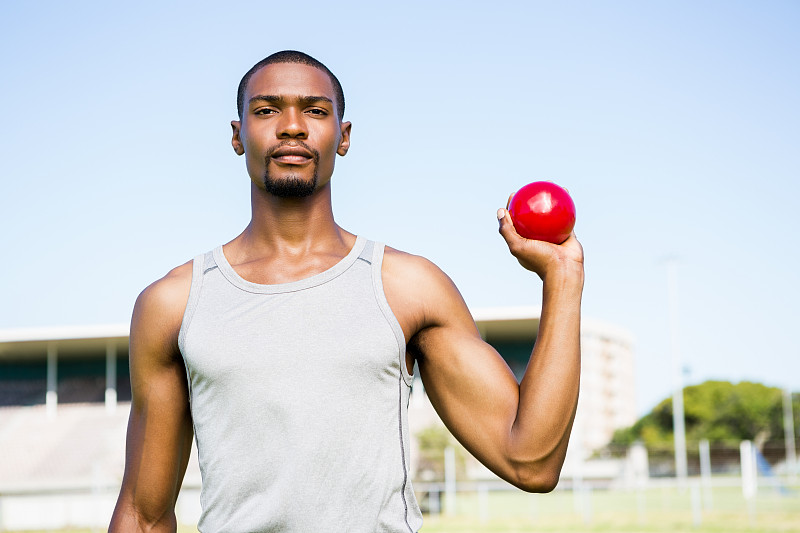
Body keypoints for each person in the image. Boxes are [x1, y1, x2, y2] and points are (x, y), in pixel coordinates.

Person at [109, 50, 584, 533]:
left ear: (343, 136)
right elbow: (143, 516)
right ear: (237, 136)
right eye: (267, 109)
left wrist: (563, 279)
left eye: (315, 111)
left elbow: (531, 462)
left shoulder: (408, 288)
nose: (292, 126)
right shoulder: (173, 303)